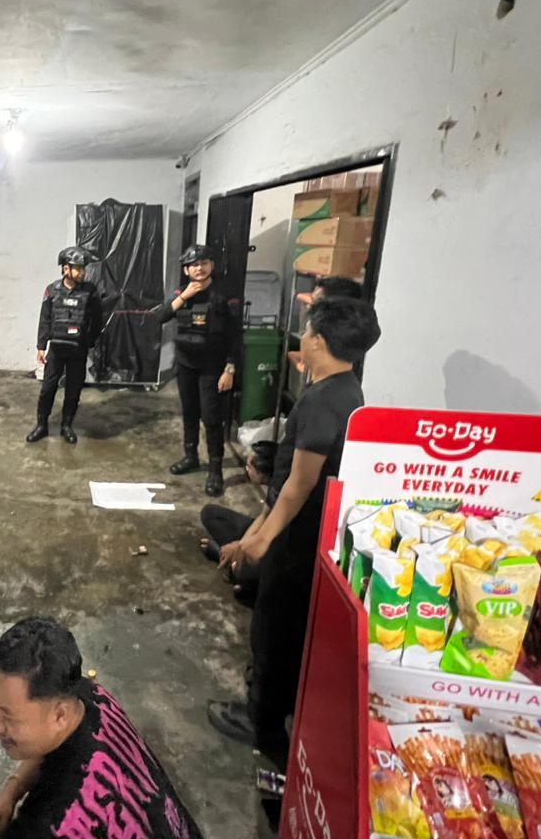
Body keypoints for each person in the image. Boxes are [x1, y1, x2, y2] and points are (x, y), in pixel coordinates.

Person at [207, 297, 381, 771]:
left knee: (273, 628)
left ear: (318, 342)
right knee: (280, 619)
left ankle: (261, 723)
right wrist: (254, 533)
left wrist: (262, 542)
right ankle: (273, 700)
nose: (302, 338)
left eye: (306, 331)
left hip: (298, 538)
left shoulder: (324, 402)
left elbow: (298, 486)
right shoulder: (345, 389)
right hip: (304, 530)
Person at [0, 616, 203, 839]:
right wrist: (12, 791)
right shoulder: (89, 696)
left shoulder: (52, 825)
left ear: (60, 715)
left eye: (8, 716)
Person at [154, 243, 242, 496]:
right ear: (186, 270)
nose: (199, 268)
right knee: (189, 412)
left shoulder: (224, 295)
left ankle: (215, 469)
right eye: (193, 265)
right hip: (185, 364)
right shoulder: (181, 293)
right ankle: (190, 456)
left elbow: (235, 335)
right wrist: (184, 296)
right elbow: (160, 317)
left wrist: (230, 368)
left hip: (213, 367)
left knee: (212, 418)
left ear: (212, 265)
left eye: (204, 263)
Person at [26, 247, 103, 445]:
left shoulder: (90, 292)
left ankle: (66, 426)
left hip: (78, 350)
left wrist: (89, 341)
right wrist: (41, 346)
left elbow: (97, 320)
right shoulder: (52, 290)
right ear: (66, 269)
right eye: (79, 268)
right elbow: (45, 319)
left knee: (73, 390)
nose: (83, 272)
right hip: (56, 350)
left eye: (84, 268)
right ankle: (41, 425)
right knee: (48, 388)